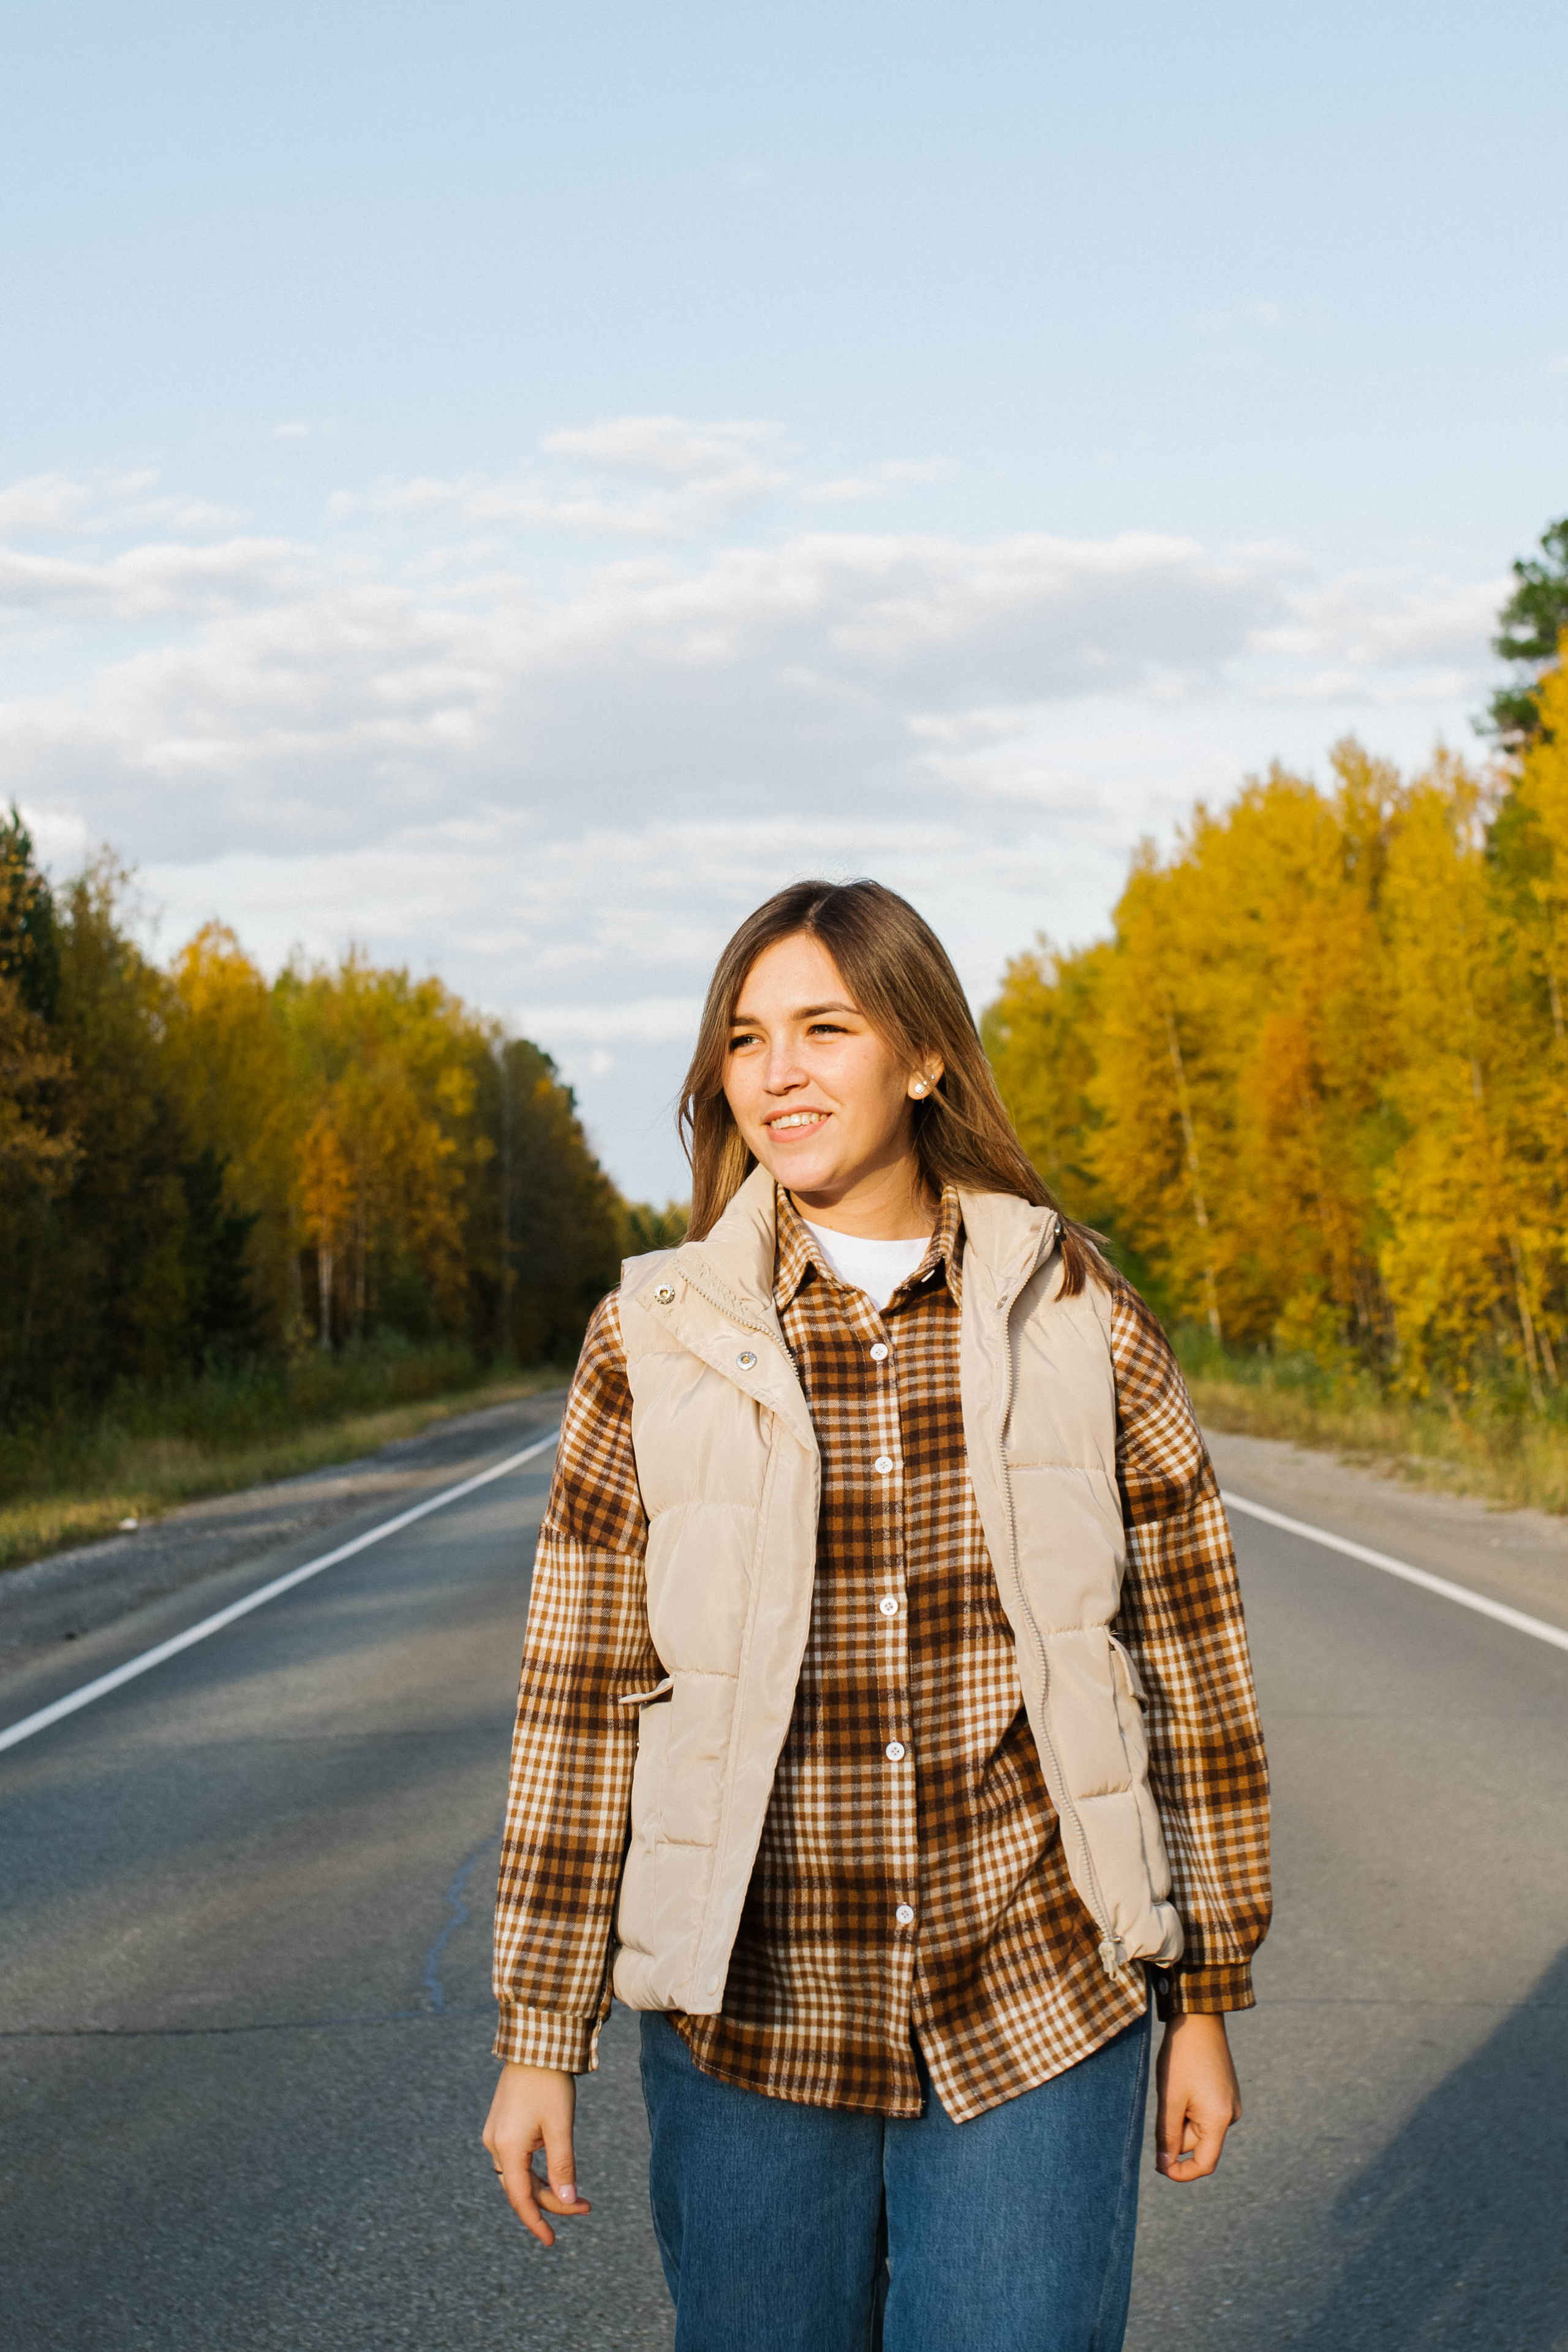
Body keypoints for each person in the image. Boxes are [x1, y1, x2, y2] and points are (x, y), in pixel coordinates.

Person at [483, 879, 1270, 2351]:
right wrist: (541, 2040)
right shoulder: (649, 1341)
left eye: (822, 1029)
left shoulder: (1076, 1310)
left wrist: (1202, 1994)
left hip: (1036, 1998)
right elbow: (577, 1699)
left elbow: (1190, 1669)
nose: (777, 1072)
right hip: (752, 2024)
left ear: (920, 1057)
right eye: (744, 1039)